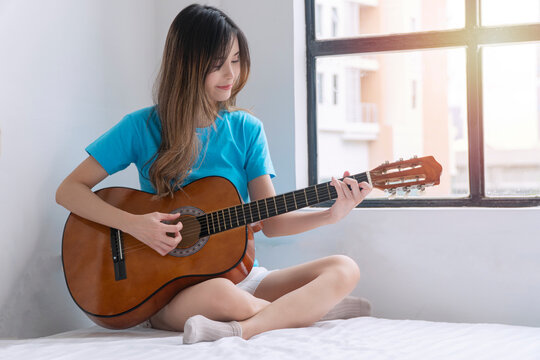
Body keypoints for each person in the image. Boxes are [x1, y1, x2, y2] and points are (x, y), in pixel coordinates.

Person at [56, 3, 373, 344]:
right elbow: (69, 190)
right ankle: (310, 310)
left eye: (235, 60)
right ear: (187, 65)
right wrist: (135, 225)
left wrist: (331, 214)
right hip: (168, 292)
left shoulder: (246, 129)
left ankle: (249, 327)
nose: (231, 75)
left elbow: (273, 222)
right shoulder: (140, 127)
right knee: (223, 296)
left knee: (344, 267)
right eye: (217, 65)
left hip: (239, 276)